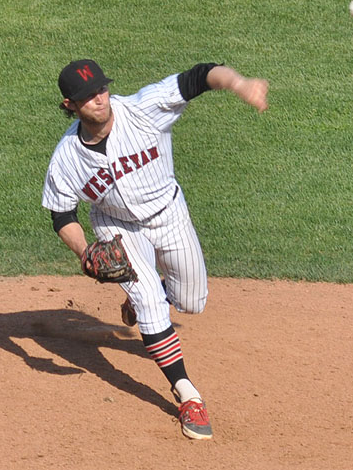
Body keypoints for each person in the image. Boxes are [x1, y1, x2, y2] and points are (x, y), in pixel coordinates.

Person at [41, 58, 268, 440]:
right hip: (117, 227)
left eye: (101, 88)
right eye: (87, 96)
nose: (99, 98)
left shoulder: (145, 108)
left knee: (192, 301)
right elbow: (62, 214)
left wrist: (239, 84)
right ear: (70, 105)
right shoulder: (66, 158)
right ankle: (187, 394)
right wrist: (85, 253)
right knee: (149, 301)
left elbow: (200, 75)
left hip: (169, 213)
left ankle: (148, 298)